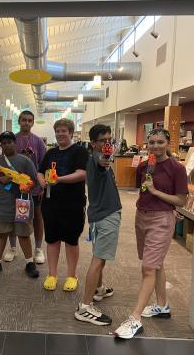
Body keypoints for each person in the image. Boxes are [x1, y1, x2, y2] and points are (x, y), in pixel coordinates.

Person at [114, 128, 188, 339]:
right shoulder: (145, 165)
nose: (155, 146)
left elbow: (181, 201)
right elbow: (142, 190)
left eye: (160, 142)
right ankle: (162, 305)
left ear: (168, 143)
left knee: (148, 268)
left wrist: (156, 192)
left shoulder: (176, 168)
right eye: (152, 142)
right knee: (156, 263)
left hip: (162, 219)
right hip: (141, 216)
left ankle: (135, 318)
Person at [74, 125, 122, 326]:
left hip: (99, 214)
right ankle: (85, 307)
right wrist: (106, 158)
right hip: (106, 215)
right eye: (103, 140)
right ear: (93, 143)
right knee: (99, 260)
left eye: (109, 140)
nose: (107, 144)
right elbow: (103, 161)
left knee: (99, 255)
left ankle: (99, 289)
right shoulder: (97, 158)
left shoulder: (94, 158)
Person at [38, 118, 89, 292]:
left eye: (63, 131)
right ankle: (52, 274)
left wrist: (58, 180)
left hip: (72, 204)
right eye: (58, 131)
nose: (60, 134)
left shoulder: (80, 151)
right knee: (52, 239)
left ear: (71, 132)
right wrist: (43, 181)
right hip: (51, 203)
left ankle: (71, 275)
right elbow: (39, 171)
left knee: (71, 240)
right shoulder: (50, 153)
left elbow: (82, 174)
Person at [0, 131, 40, 278]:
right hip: (2, 203)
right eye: (4, 143)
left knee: (23, 234)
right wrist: (0, 180)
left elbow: (35, 181)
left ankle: (29, 263)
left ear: (15, 143)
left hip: (21, 203)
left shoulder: (25, 161)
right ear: (1, 145)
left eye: (10, 142)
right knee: (1, 234)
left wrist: (26, 186)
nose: (7, 145)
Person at [4, 110, 47, 264]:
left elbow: (44, 165)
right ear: (19, 121)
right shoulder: (12, 140)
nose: (27, 123)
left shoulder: (38, 142)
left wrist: (42, 187)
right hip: (13, 186)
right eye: (24, 120)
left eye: (30, 120)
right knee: (14, 217)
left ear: (33, 123)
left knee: (36, 217)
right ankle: (13, 248)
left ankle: (38, 249)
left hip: (33, 187)